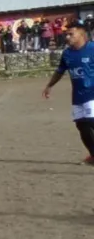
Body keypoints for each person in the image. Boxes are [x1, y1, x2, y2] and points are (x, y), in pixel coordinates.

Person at [43, 21, 94, 164]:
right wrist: (49, 86)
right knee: (81, 126)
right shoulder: (67, 54)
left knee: (91, 121)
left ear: (82, 34)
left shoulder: (92, 49)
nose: (67, 37)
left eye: (71, 34)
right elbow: (60, 71)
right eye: (66, 34)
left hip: (92, 93)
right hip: (78, 95)